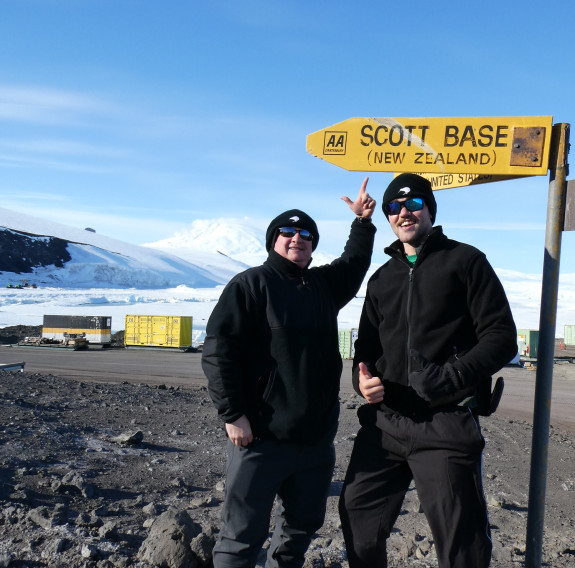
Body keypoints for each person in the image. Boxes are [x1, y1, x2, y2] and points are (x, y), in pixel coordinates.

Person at [338, 173, 517, 568]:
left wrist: (451, 377)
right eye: (394, 207)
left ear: (430, 210)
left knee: (461, 541)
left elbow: (501, 336)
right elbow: (365, 348)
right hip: (385, 425)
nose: (404, 212)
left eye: (413, 204)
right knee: (357, 517)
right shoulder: (382, 278)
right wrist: (362, 382)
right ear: (387, 217)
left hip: (445, 424)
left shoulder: (466, 261)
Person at [201, 178, 377, 568]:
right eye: (287, 232)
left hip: (314, 442)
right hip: (260, 438)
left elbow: (353, 265)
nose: (297, 238)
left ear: (313, 245)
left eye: (305, 234)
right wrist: (233, 414)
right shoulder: (250, 285)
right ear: (273, 240)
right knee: (242, 537)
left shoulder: (322, 286)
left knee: (299, 531)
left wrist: (362, 223)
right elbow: (218, 352)